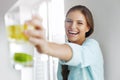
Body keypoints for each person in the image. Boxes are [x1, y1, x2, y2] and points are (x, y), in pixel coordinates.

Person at [24, 5, 104, 80]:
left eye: (79, 23)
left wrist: (47, 46)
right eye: (69, 21)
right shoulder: (64, 52)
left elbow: (78, 54)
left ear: (87, 27)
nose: (72, 26)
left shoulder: (93, 46)